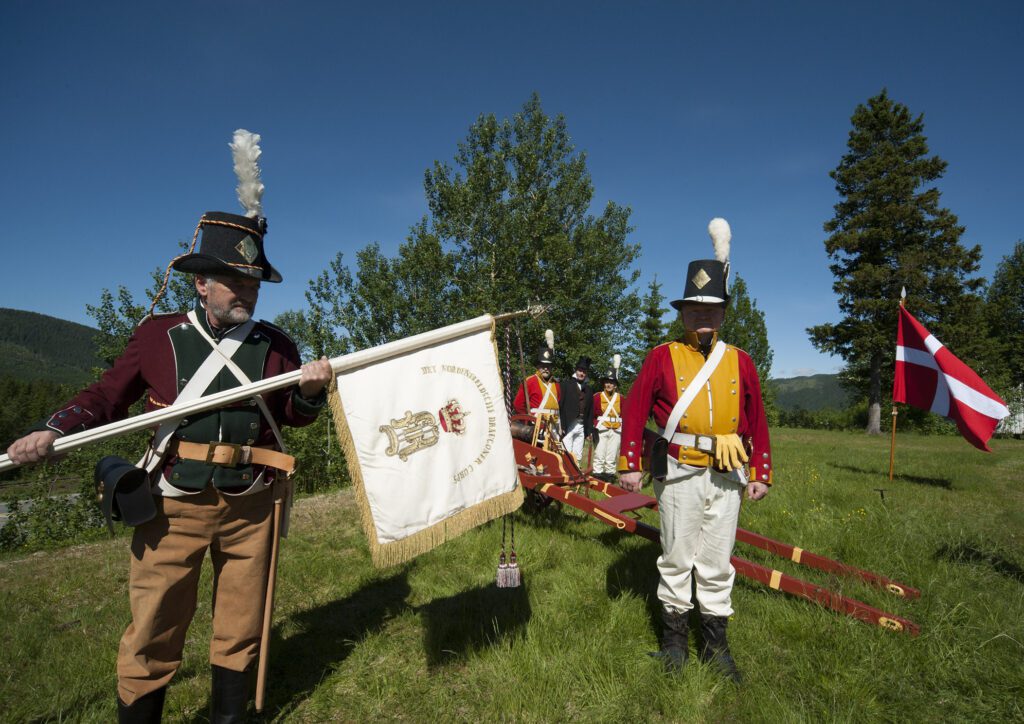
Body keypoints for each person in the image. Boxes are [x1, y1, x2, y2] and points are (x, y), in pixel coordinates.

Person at [6, 132, 333, 722]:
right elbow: (107, 395)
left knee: (242, 626)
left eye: (253, 283)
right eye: (235, 281)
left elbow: (290, 418)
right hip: (171, 502)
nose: (247, 293)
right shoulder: (157, 336)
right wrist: (52, 429)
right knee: (154, 628)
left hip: (254, 503)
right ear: (200, 282)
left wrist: (309, 394)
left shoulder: (277, 345)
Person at [618, 218, 771, 683]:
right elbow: (634, 409)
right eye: (693, 310)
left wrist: (760, 470)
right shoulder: (661, 356)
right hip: (679, 471)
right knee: (677, 556)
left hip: (727, 473)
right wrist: (629, 465)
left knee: (717, 561)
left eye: (711, 311)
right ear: (683, 313)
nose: (702, 318)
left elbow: (758, 418)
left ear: (722, 314)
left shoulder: (741, 361)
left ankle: (717, 648)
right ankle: (674, 647)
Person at [558, 356, 595, 463]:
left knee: (578, 454)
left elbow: (590, 412)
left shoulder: (589, 390)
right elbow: (561, 406)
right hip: (569, 424)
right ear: (576, 371)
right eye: (580, 370)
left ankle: (575, 474)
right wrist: (562, 425)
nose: (581, 373)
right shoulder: (565, 385)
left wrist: (588, 430)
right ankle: (565, 473)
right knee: (567, 452)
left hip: (581, 425)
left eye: (584, 371)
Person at [592, 369, 625, 481]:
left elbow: (624, 414)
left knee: (612, 454)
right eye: (607, 382)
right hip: (601, 427)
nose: (609, 385)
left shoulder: (621, 398)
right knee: (599, 453)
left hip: (616, 428)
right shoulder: (597, 396)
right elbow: (591, 414)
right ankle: (597, 473)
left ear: (615, 385)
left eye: (611, 383)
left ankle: (610, 474)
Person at [512, 346, 561, 422]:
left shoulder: (557, 384)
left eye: (548, 366)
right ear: (538, 366)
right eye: (543, 365)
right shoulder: (529, 381)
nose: (545, 368)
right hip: (536, 424)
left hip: (554, 425)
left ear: (551, 367)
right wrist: (527, 420)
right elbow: (518, 404)